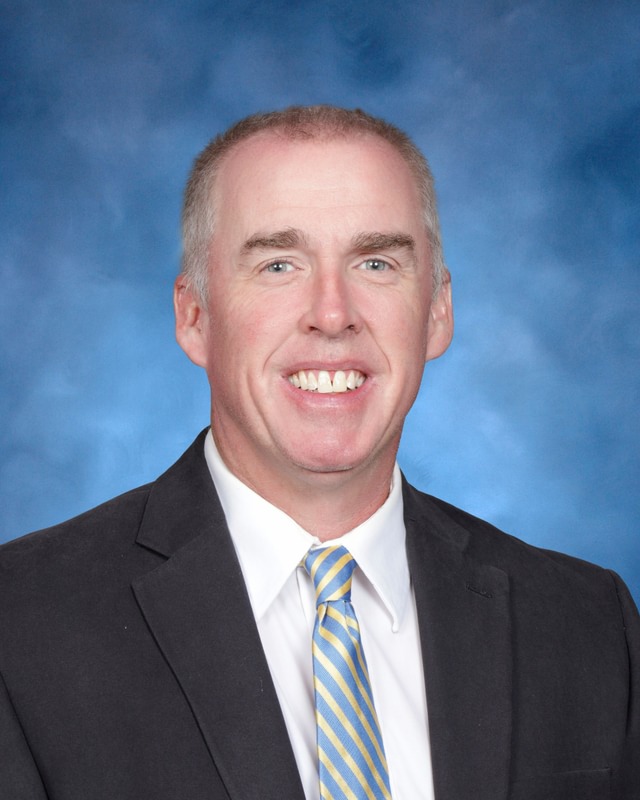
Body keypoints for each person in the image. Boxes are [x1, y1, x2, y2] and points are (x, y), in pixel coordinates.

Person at [0, 106, 637, 800]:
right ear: (194, 318)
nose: (332, 313)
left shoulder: (590, 623)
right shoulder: (23, 625)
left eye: (375, 261)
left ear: (437, 312)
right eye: (278, 264)